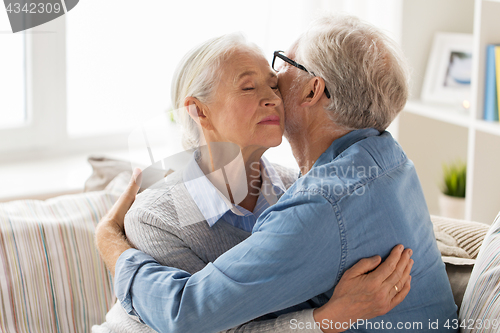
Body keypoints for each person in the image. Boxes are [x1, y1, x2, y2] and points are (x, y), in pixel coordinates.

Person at [98, 14, 459, 333]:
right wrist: (328, 317)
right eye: (248, 86)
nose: (272, 94)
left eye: (279, 73)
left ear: (313, 90)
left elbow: (188, 313)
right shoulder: (389, 159)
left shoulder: (312, 201)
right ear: (200, 112)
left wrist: (111, 246)